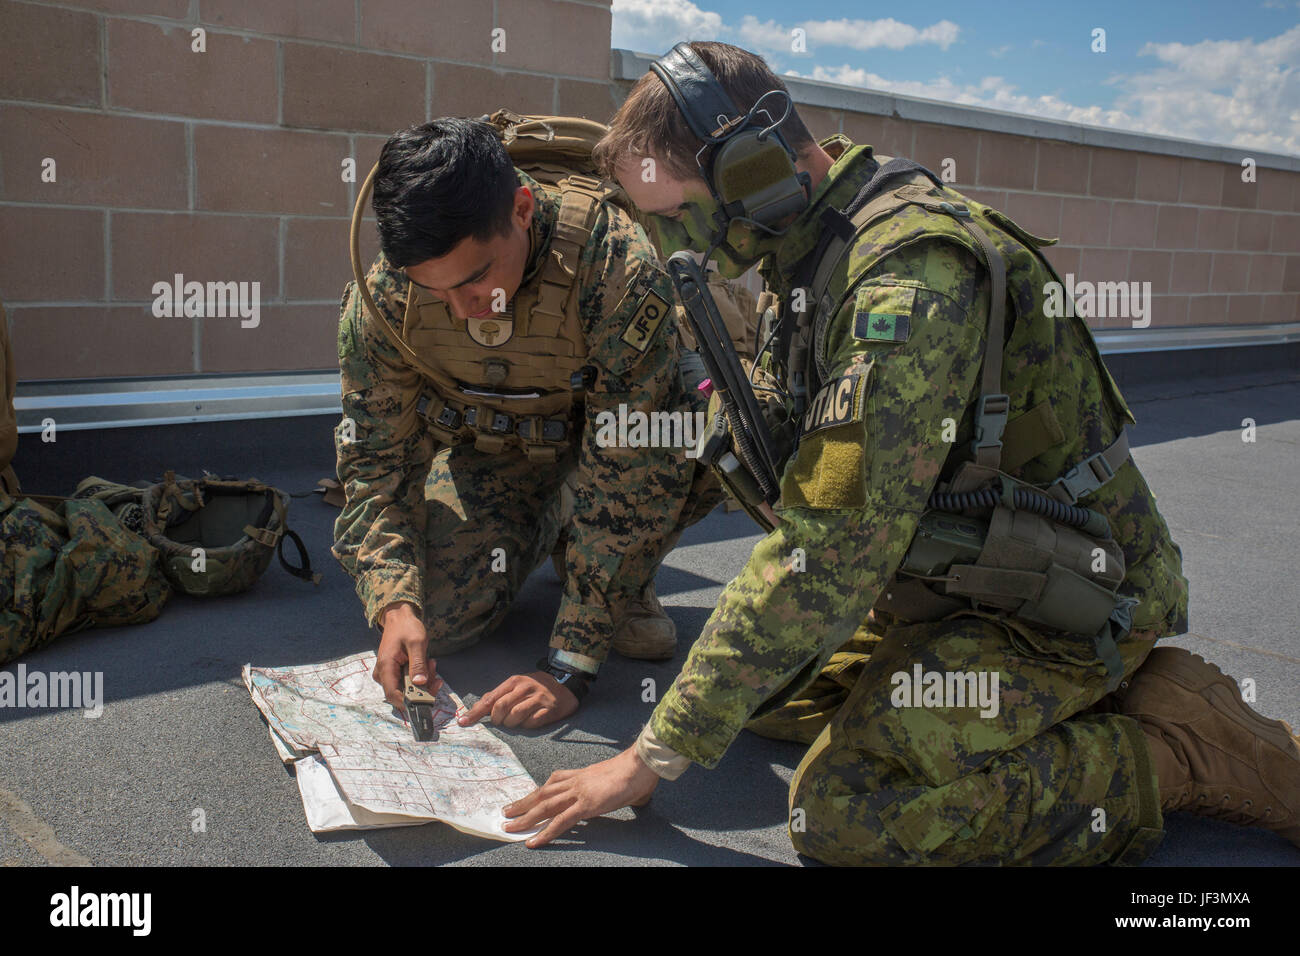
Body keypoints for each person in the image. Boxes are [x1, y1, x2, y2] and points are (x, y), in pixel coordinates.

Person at [500, 41, 1300, 863]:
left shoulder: (905, 281)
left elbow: (828, 549)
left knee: (848, 812)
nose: (672, 239)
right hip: (954, 576)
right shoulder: (812, 240)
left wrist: (648, 758)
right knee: (764, 695)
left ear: (748, 169)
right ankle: (1034, 704)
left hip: (1065, 599)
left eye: (672, 213)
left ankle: (1173, 749)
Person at [333, 117, 719, 730]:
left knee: (693, 438)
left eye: (475, 279)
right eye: (437, 293)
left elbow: (631, 461)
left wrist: (571, 662)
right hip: (496, 451)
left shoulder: (614, 264)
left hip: (611, 448)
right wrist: (394, 601)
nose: (463, 312)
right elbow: (375, 459)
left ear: (521, 209)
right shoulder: (386, 294)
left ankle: (619, 572)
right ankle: (559, 527)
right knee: (442, 620)